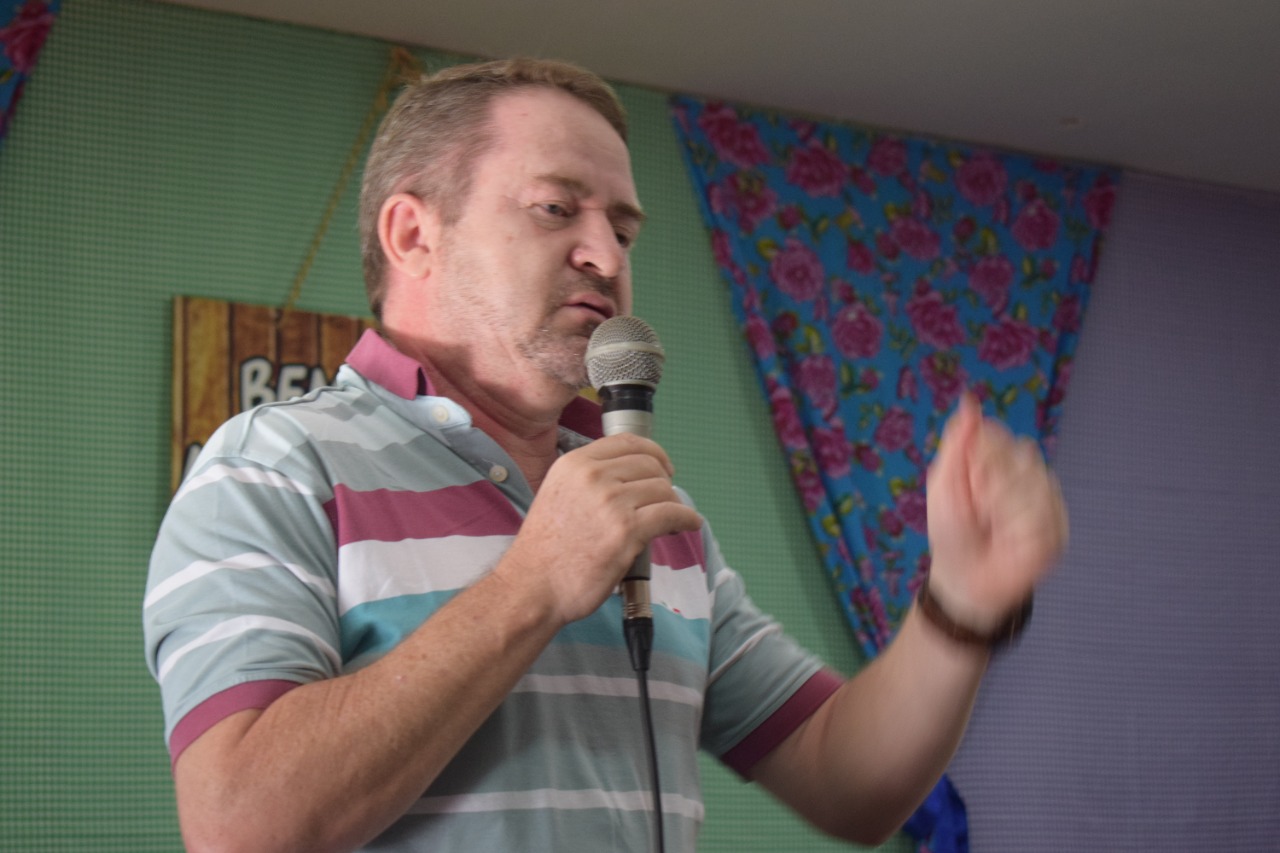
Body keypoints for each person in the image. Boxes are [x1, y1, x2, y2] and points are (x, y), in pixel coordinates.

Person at [144, 57, 1067, 853]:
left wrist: (961, 607)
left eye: (623, 230)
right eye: (556, 209)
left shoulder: (644, 510)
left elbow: (846, 779)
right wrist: (534, 582)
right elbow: (239, 823)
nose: (606, 255)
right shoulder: (275, 464)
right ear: (413, 234)